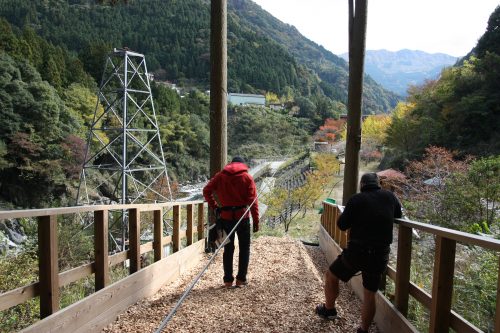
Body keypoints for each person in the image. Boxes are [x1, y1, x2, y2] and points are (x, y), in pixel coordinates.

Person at [315, 173, 402, 333]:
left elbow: (341, 225)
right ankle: (363, 329)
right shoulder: (390, 197)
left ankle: (329, 310)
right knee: (370, 293)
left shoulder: (357, 199)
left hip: (357, 253)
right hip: (380, 255)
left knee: (332, 275)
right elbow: (398, 215)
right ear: (378, 184)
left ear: (362, 185)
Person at [203, 156, 259, 288]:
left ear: (231, 164)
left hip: (226, 217)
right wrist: (256, 220)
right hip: (243, 217)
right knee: (244, 248)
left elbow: (206, 191)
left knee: (228, 248)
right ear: (242, 164)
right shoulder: (247, 178)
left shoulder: (220, 176)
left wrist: (215, 205)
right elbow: (253, 201)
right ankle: (241, 279)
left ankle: (228, 280)